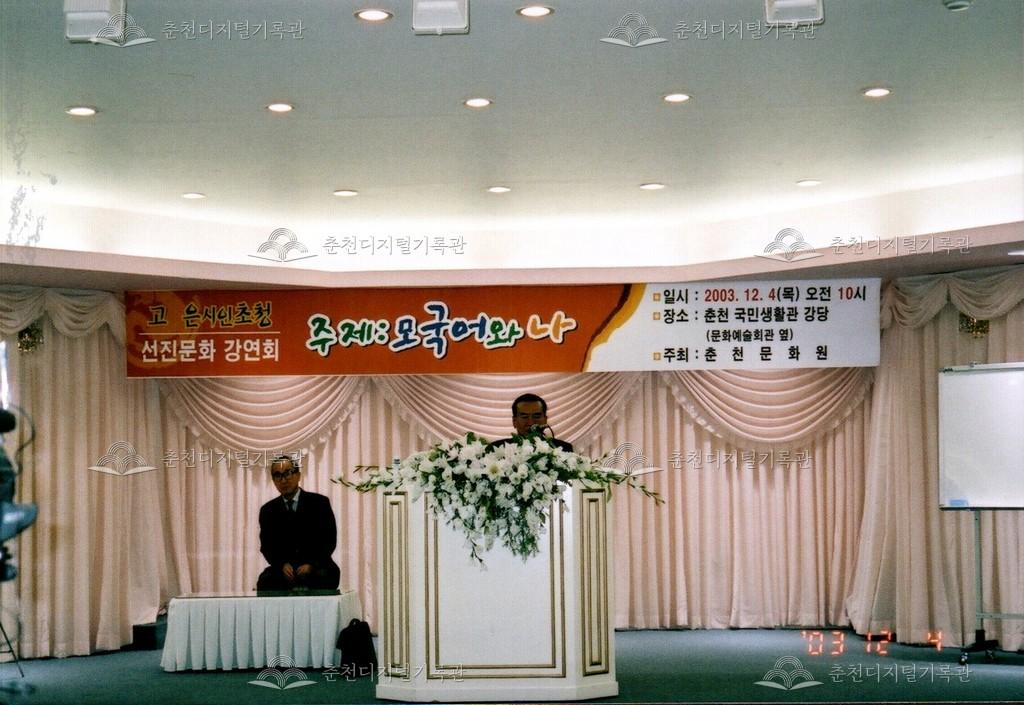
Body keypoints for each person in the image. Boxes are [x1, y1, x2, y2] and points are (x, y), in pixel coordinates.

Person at [256, 454, 340, 591]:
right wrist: (282, 564)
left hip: (317, 567)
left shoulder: (319, 503)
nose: (283, 480)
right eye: (278, 475)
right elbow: (267, 545)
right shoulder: (268, 510)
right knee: (265, 581)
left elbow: (329, 540)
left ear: (298, 475)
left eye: (288, 473)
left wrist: (311, 564)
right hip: (284, 571)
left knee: (325, 576)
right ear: (273, 480)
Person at [488, 393, 574, 452]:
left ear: (545, 420)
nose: (531, 422)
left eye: (536, 416)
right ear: (514, 421)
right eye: (524, 417)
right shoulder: (497, 448)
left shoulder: (563, 449)